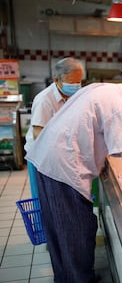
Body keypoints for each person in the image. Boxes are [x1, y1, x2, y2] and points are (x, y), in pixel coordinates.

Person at [25, 68, 122, 283]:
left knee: (58, 229)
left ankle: (64, 279)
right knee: (78, 229)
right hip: (63, 167)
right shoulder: (117, 106)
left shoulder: (100, 88)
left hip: (46, 160)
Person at [24, 57, 85, 200]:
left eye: (79, 82)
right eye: (72, 82)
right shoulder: (45, 100)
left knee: (59, 200)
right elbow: (38, 136)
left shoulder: (73, 96)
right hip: (41, 158)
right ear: (56, 80)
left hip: (59, 156)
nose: (76, 86)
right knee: (44, 199)